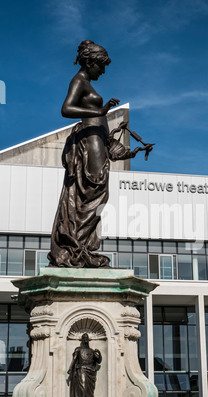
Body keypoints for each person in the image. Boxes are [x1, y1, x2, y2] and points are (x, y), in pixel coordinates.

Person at [47, 40, 152, 268]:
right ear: (90, 62)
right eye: (101, 66)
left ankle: (80, 246)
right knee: (92, 191)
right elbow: (66, 109)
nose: (103, 71)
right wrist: (99, 110)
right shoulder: (79, 81)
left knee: (97, 194)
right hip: (89, 140)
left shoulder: (87, 83)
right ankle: (76, 248)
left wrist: (128, 151)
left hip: (99, 141)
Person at [67, 333, 102, 397]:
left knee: (89, 391)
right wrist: (70, 368)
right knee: (82, 389)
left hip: (91, 372)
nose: (85, 339)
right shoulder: (78, 350)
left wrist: (99, 353)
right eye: (84, 338)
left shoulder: (92, 351)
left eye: (87, 338)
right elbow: (74, 359)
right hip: (81, 370)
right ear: (82, 340)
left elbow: (98, 361)